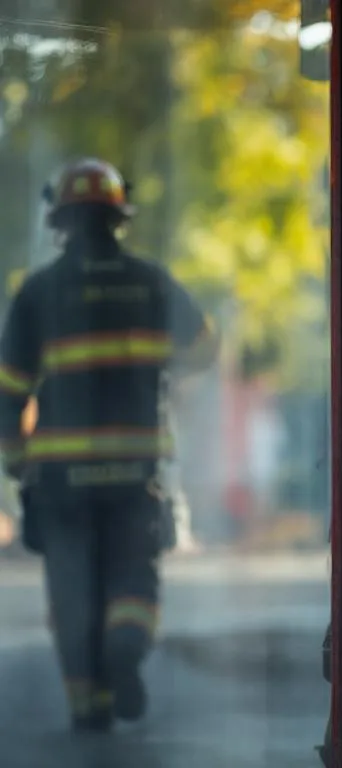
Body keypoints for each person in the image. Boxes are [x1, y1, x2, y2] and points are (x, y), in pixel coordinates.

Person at [0, 157, 219, 731]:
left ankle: (88, 709)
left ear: (61, 219)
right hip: (133, 468)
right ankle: (126, 644)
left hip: (60, 478)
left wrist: (18, 465)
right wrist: (158, 360)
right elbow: (203, 348)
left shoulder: (39, 292)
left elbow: (8, 391)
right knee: (133, 575)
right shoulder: (151, 282)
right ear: (118, 216)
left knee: (72, 593)